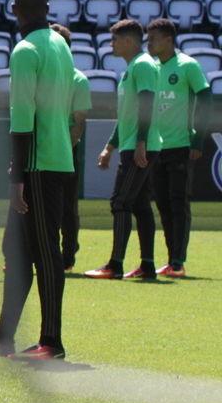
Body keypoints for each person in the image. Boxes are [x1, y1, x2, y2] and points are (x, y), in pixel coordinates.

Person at [0, 0, 75, 360]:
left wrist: (17, 175)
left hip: (38, 165)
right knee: (18, 249)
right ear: (47, 7)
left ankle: (52, 342)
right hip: (56, 157)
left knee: (45, 252)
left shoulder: (25, 50)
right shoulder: (59, 43)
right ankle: (4, 337)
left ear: (14, 9)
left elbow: (23, 116)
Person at [83, 19, 158, 282]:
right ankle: (147, 266)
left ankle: (115, 265)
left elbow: (147, 105)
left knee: (120, 202)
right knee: (139, 205)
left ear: (128, 40)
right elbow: (127, 115)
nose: (110, 44)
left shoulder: (144, 64)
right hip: (133, 144)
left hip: (139, 145)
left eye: (114, 39)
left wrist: (140, 143)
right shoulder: (131, 69)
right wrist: (110, 147)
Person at [144, 18, 208, 278]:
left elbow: (205, 99)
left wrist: (198, 139)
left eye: (153, 39)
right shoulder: (151, 68)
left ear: (169, 40)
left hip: (181, 145)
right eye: (147, 39)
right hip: (156, 148)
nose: (148, 43)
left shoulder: (188, 65)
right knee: (162, 205)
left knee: (178, 202)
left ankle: (178, 261)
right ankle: (171, 259)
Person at [53, 24, 92, 273]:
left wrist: (62, 149)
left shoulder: (78, 79)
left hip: (65, 151)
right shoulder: (40, 76)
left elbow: (79, 123)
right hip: (39, 148)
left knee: (67, 207)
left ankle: (67, 257)